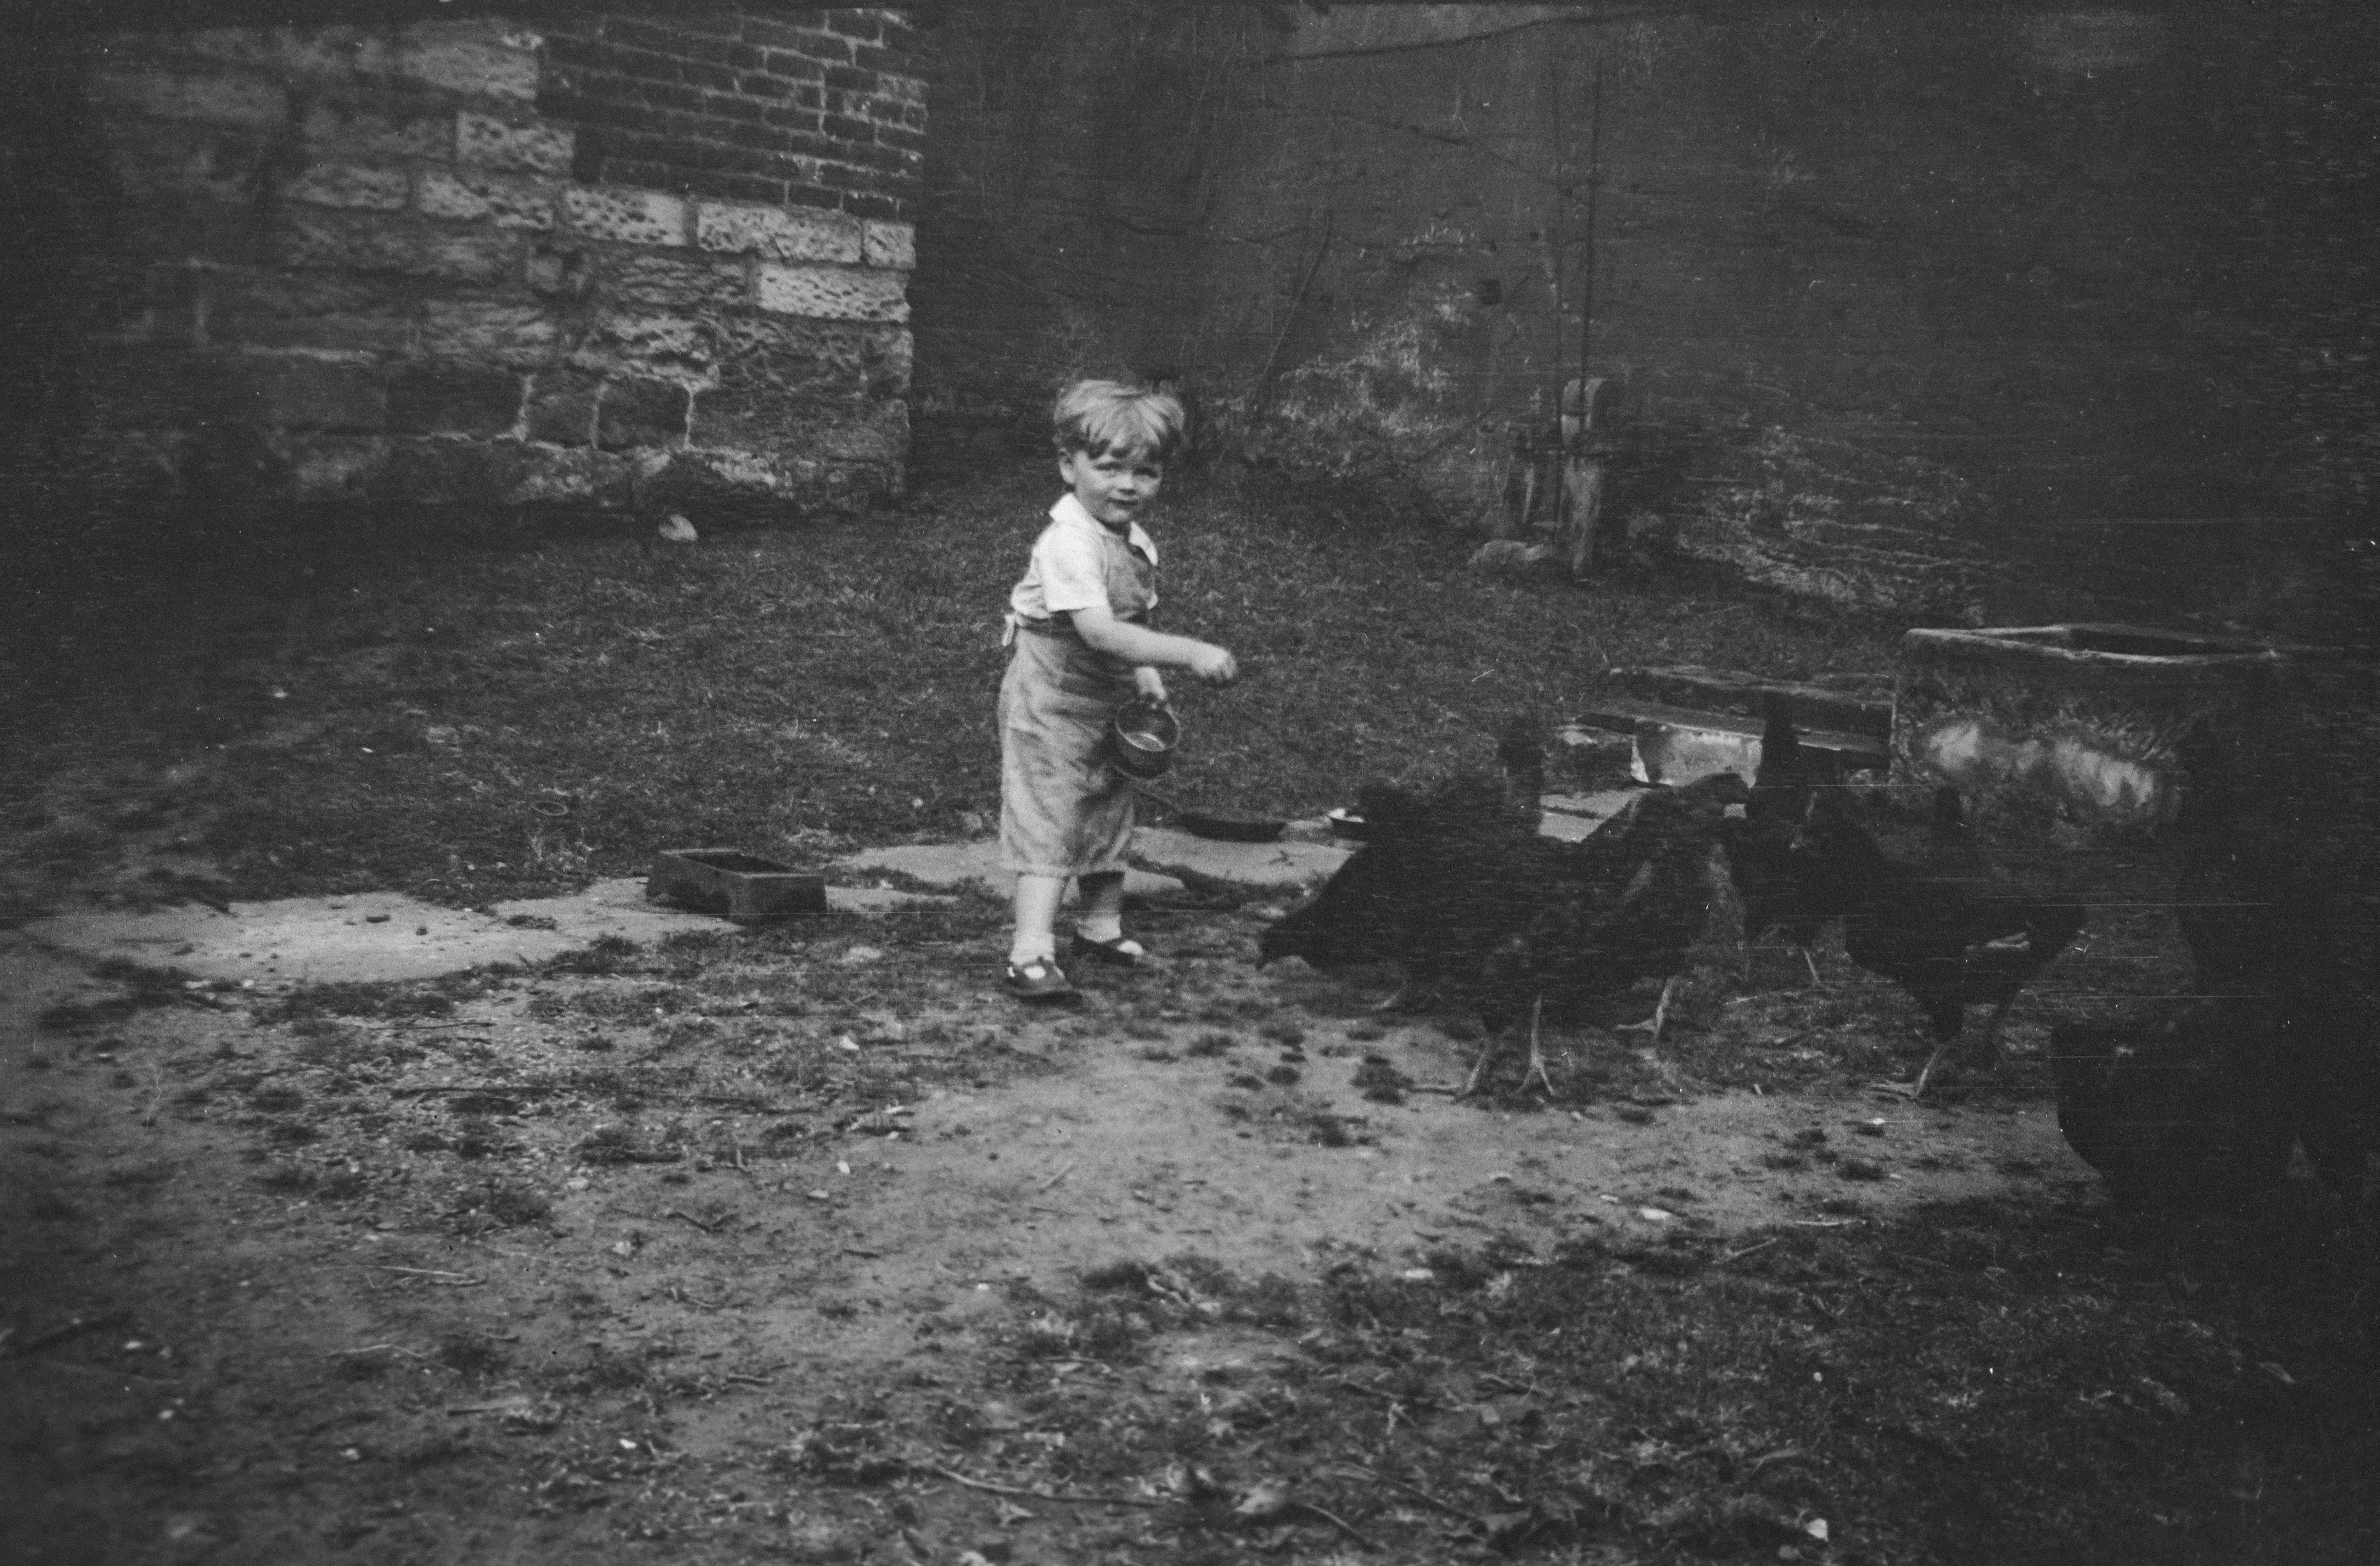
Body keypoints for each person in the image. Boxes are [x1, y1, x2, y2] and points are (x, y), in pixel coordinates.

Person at [997, 378, 1239, 1000]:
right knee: (1052, 812)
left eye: (1147, 472)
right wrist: (1189, 654)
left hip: (1104, 697)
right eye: (1109, 468)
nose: (1128, 485)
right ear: (1068, 465)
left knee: (1109, 803)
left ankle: (1100, 925)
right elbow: (1102, 633)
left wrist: (1149, 675)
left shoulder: (1132, 540)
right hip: (1050, 697)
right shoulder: (1068, 542)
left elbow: (1134, 624)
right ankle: (1029, 951)